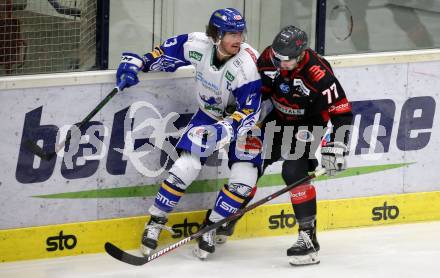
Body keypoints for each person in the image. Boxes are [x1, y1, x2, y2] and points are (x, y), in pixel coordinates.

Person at [115, 8, 262, 260]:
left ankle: (211, 227)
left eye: (240, 33)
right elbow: (166, 53)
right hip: (209, 115)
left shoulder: (248, 66)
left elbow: (251, 110)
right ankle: (156, 220)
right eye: (231, 34)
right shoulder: (198, 44)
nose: (238, 39)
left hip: (247, 125)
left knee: (244, 180)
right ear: (216, 35)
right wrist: (140, 63)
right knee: (185, 166)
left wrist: (225, 129)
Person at [216, 25, 353, 266]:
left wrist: (338, 145)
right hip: (277, 119)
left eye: (286, 60)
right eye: (277, 58)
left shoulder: (318, 74)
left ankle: (308, 238)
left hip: (308, 126)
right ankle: (229, 216)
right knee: (249, 163)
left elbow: (342, 112)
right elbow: (261, 93)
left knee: (293, 172)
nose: (280, 64)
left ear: (301, 54)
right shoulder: (269, 58)